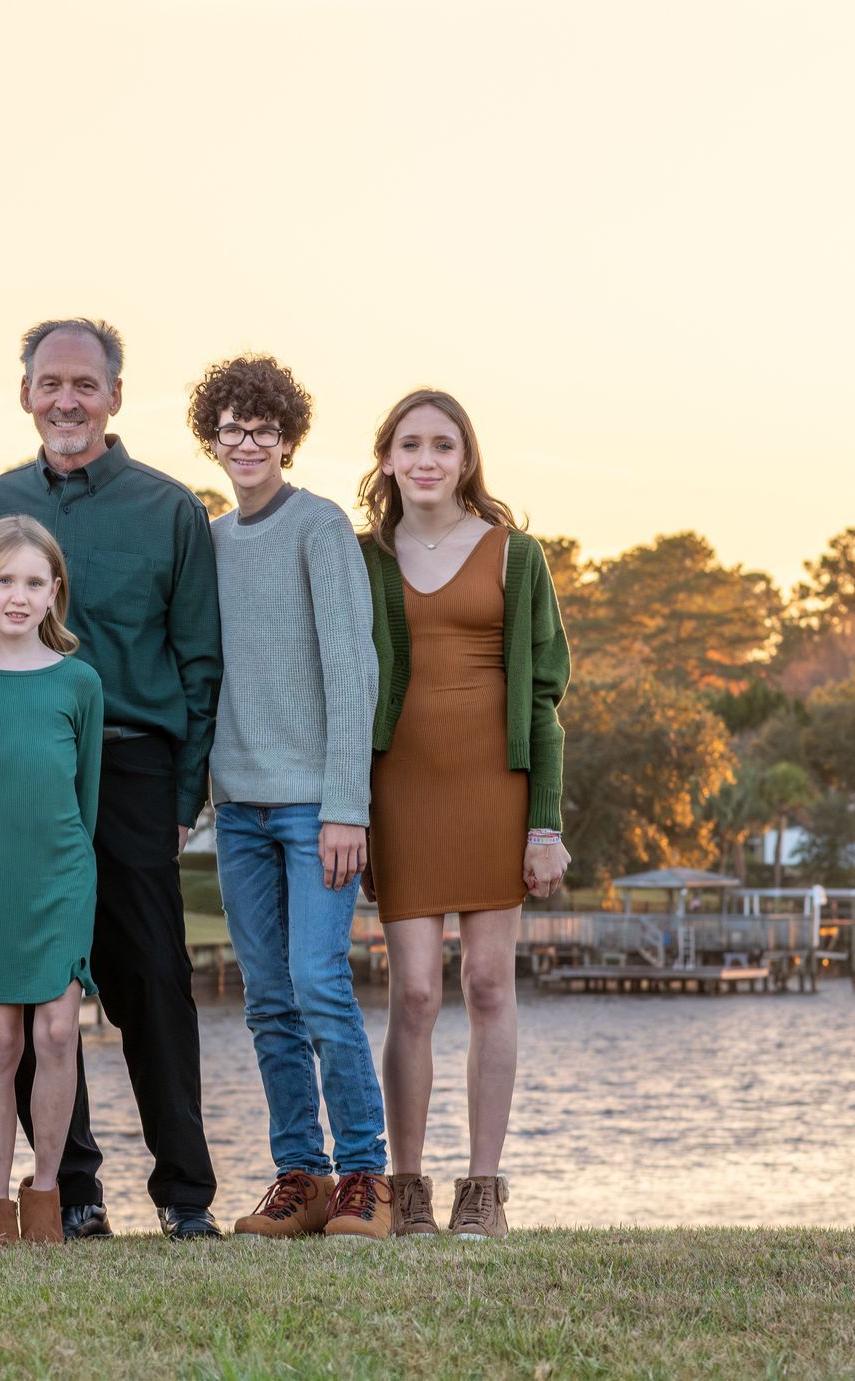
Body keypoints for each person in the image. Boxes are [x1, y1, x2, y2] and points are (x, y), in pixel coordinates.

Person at [0, 318, 223, 1241]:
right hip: (22, 771)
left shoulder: (170, 508)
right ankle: (69, 1189)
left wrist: (186, 794)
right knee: (32, 993)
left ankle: (186, 1195)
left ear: (114, 394)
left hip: (136, 770)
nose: (65, 400)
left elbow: (199, 661)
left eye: (84, 384)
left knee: (152, 980)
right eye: (48, 383)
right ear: (26, 392)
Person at [356, 388, 572, 1240]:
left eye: (443, 444)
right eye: (409, 444)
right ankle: (405, 1187)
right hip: (400, 791)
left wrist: (545, 823)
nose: (426, 460)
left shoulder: (517, 555)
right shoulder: (364, 555)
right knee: (411, 992)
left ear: (466, 458)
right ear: (387, 459)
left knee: (488, 983)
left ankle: (483, 1187)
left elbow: (546, 694)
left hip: (497, 788)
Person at [189, 356, 390, 1241]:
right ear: (211, 438)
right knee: (267, 996)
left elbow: (354, 669)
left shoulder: (320, 526)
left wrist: (349, 801)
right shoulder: (212, 539)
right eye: (230, 428)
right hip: (238, 806)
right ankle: (299, 1175)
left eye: (262, 428)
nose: (246, 443)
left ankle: (365, 1176)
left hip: (315, 806)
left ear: (287, 437)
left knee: (319, 983)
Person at [0, 516, 103, 1245]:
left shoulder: (80, 681)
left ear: (53, 592)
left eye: (34, 581)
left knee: (59, 1030)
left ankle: (46, 1198)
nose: (17, 594)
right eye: (3, 579)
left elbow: (86, 795)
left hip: (63, 873)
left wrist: (62, 858)